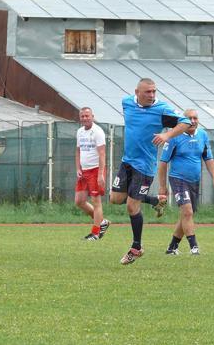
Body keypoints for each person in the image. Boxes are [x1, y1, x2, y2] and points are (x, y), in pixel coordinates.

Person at [110, 78, 191, 265]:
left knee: (131, 205)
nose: (152, 95)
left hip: (144, 167)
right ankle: (155, 200)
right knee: (115, 199)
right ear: (136, 92)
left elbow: (185, 123)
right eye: (148, 92)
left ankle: (136, 247)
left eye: (154, 91)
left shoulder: (161, 110)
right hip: (127, 162)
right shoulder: (127, 102)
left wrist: (167, 134)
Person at [158, 109, 214, 255]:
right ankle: (194, 247)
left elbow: (208, 158)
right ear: (183, 121)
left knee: (187, 215)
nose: (192, 121)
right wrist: (162, 187)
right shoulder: (174, 137)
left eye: (195, 118)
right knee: (187, 211)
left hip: (194, 180)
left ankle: (172, 247)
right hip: (178, 179)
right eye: (189, 118)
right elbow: (163, 163)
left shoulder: (203, 135)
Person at [75, 107, 110, 241]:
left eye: (87, 116)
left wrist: (101, 174)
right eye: (82, 116)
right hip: (83, 171)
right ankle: (102, 222)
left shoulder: (98, 131)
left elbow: (102, 153)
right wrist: (78, 168)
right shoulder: (79, 132)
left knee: (96, 202)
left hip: (95, 170)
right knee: (79, 201)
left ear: (92, 116)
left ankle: (95, 233)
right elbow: (78, 151)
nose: (85, 118)